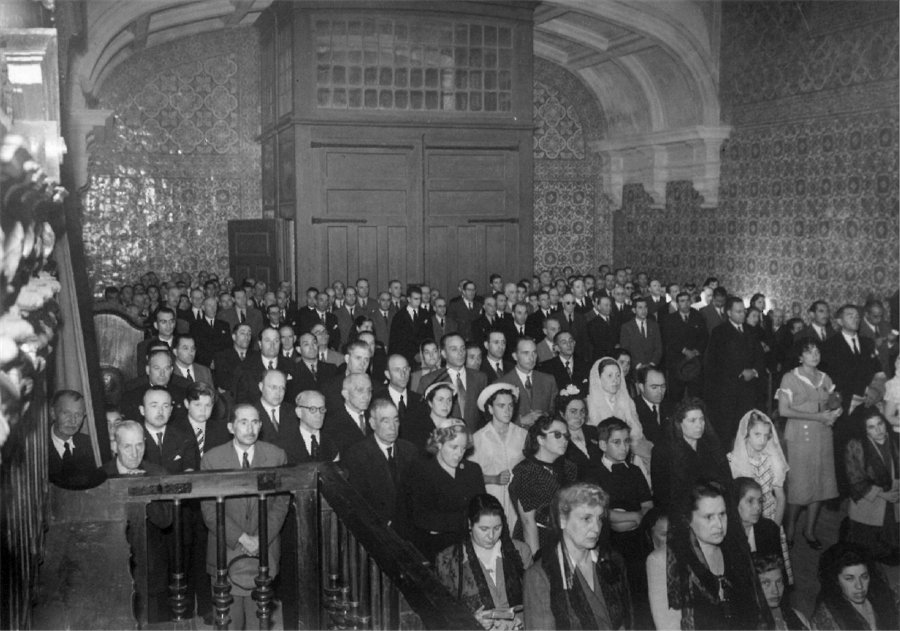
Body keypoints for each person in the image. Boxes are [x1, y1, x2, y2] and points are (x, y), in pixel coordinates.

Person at [200, 404, 289, 631]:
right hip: (226, 551)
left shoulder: (276, 456)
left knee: (259, 623)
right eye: (243, 422)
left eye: (255, 422)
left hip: (264, 551)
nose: (251, 428)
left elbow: (281, 503)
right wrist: (241, 538)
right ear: (231, 427)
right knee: (229, 623)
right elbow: (209, 510)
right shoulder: (212, 459)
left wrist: (261, 538)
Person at [646, 480, 770, 630]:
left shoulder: (736, 551)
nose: (719, 524)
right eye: (709, 517)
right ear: (687, 519)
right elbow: (669, 626)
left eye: (722, 514)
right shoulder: (662, 560)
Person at [523, 483, 632, 630]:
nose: (596, 528)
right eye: (586, 518)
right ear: (562, 520)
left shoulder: (613, 562)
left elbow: (628, 622)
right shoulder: (541, 576)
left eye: (600, 518)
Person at [434, 494, 533, 631]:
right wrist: (471, 621)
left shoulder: (520, 552)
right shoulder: (448, 561)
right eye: (484, 529)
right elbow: (441, 616)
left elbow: (536, 603)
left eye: (497, 528)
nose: (491, 536)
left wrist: (517, 621)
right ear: (470, 524)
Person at [777, 339, 841, 548]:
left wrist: (836, 412)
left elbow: (833, 403)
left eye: (817, 352)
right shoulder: (790, 378)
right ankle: (789, 531)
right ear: (799, 356)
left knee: (820, 485)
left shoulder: (825, 377)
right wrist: (818, 416)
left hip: (823, 436)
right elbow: (783, 410)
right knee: (800, 486)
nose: (814, 355)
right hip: (800, 437)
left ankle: (810, 531)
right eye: (809, 352)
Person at [401, 422, 486, 561]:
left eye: (463, 448)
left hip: (469, 548)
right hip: (435, 551)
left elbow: (481, 509)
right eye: (454, 447)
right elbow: (424, 519)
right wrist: (467, 521)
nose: (459, 454)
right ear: (439, 444)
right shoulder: (422, 472)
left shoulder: (473, 470)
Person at [727, 410, 792, 573]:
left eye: (766, 435)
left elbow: (781, 497)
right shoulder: (733, 461)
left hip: (770, 517)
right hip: (744, 522)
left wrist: (774, 529)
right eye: (757, 434)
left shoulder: (772, 459)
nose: (762, 440)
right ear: (746, 433)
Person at [508, 416, 578, 556]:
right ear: (540, 439)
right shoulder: (526, 472)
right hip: (536, 540)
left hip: (564, 537)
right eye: (557, 435)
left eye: (566, 436)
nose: (564, 440)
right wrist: (536, 559)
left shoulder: (569, 468)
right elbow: (528, 523)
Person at [342, 398, 417, 527]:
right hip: (376, 528)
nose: (392, 427)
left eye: (396, 420)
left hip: (409, 526)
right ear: (372, 423)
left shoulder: (410, 450)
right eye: (385, 421)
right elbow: (358, 500)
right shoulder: (357, 455)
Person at [651, 397, 732, 512]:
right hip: (680, 511)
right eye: (692, 420)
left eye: (701, 419)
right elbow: (662, 495)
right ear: (679, 423)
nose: (699, 425)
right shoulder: (663, 452)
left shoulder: (712, 447)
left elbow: (726, 482)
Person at [704, 296, 766, 443]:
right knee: (726, 430)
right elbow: (715, 361)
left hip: (748, 389)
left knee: (746, 427)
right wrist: (739, 372)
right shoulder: (719, 332)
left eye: (743, 311)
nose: (742, 314)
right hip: (727, 389)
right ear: (729, 313)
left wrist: (754, 371)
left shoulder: (751, 331)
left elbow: (760, 356)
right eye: (738, 312)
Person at [469, 384, 528, 535]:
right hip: (491, 502)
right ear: (490, 409)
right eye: (501, 406)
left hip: (518, 502)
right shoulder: (478, 438)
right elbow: (469, 476)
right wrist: (494, 479)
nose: (507, 410)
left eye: (510, 405)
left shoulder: (523, 435)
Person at [843, 409, 899, 564]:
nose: (878, 430)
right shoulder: (855, 445)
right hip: (869, 499)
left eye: (880, 424)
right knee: (865, 551)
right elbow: (854, 477)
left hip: (895, 496)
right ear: (865, 430)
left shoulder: (895, 440)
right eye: (872, 427)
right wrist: (882, 494)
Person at [586, 357, 652, 479]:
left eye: (618, 376)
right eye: (609, 376)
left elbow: (636, 432)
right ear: (599, 378)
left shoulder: (627, 401)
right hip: (602, 456)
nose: (615, 380)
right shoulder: (589, 404)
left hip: (629, 450)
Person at [810, 542, 898, 630]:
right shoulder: (827, 618)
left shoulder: (880, 596)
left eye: (864, 577)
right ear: (835, 580)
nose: (859, 586)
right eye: (849, 579)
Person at [734, 477, 791, 578]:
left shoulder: (769, 529)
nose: (758, 507)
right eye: (750, 501)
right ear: (735, 503)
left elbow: (779, 572)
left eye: (760, 501)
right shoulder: (726, 536)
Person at [48, 390, 102, 489]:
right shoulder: (38, 449)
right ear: (53, 413)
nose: (73, 421)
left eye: (78, 414)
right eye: (66, 413)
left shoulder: (91, 445)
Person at [754, 554, 810, 630]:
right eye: (766, 583)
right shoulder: (749, 623)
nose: (775, 591)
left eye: (779, 582)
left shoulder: (797, 616)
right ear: (756, 587)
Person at [557, 385, 601, 482]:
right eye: (573, 412)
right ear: (562, 413)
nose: (579, 416)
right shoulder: (558, 439)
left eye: (582, 411)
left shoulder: (594, 431)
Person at [401, 380, 457, 451]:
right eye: (440, 400)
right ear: (430, 403)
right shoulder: (417, 429)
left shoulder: (455, 426)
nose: (445, 404)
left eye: (449, 400)